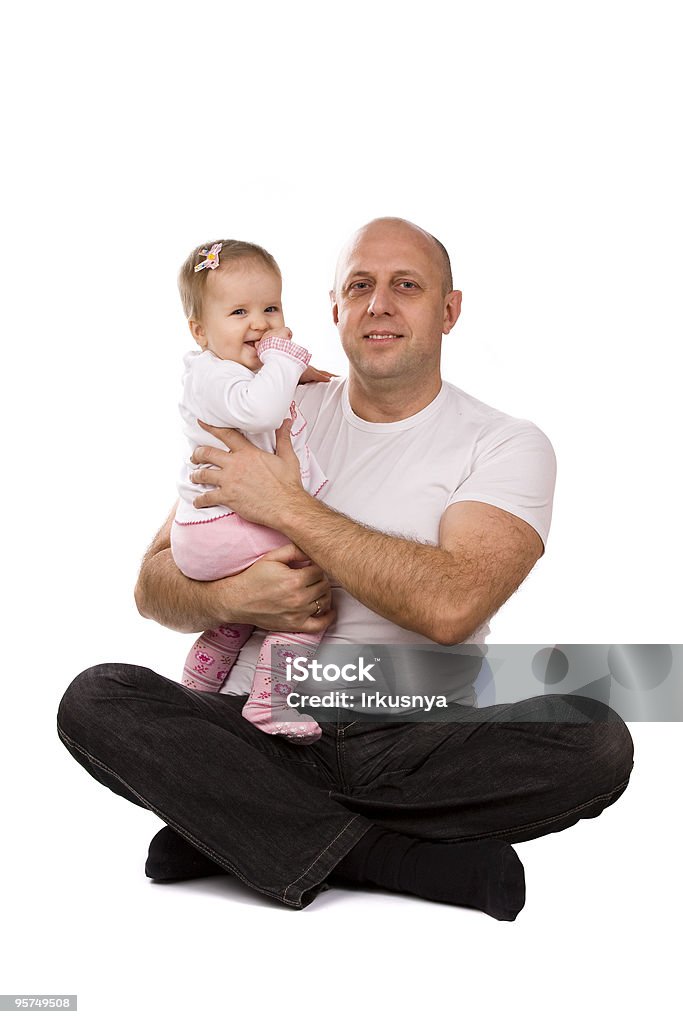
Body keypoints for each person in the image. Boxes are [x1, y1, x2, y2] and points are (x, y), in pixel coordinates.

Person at [57, 217, 634, 922]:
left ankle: (239, 828)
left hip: (411, 730)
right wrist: (238, 595)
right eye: (358, 286)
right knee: (97, 698)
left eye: (406, 286)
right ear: (333, 309)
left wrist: (287, 506)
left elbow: (451, 606)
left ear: (447, 310)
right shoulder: (278, 409)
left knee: (592, 734)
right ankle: (388, 856)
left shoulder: (504, 443)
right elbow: (154, 586)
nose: (378, 304)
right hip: (255, 724)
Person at [172, 237, 332, 743]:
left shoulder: (228, 371)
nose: (259, 324)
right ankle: (271, 702)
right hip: (221, 526)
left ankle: (197, 691)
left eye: (270, 308)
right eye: (238, 311)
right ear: (200, 331)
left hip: (211, 531)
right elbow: (260, 409)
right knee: (310, 594)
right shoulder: (211, 376)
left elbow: (260, 393)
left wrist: (293, 372)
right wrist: (286, 358)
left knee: (236, 618)